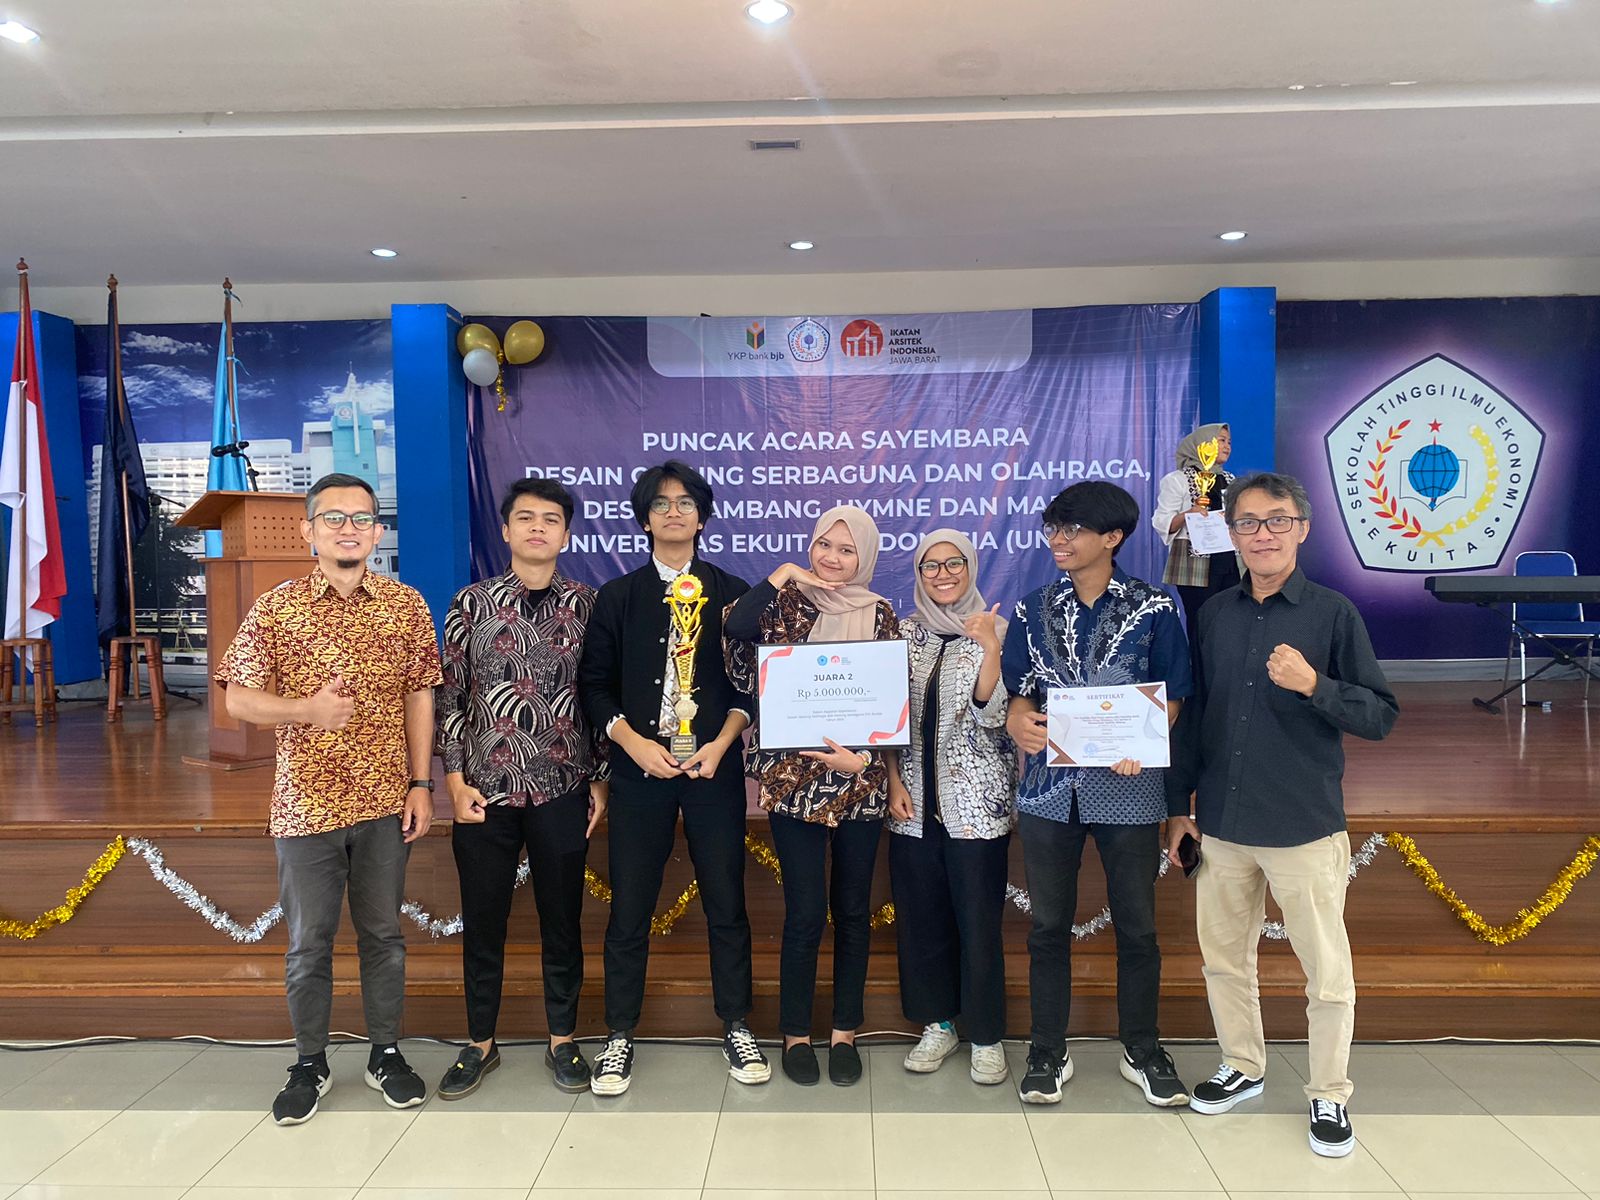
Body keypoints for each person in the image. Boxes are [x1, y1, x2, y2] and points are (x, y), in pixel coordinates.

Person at [1165, 471, 1397, 1159]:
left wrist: (1315, 684)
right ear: (1230, 534)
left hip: (1302, 823)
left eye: (1276, 521)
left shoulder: (1333, 614)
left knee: (1326, 970)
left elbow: (1380, 714)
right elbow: (1194, 718)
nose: (1262, 534)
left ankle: (1329, 1091)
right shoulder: (1214, 614)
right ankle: (1242, 1064)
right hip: (1223, 823)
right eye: (1247, 523)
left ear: (1302, 528)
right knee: (1223, 960)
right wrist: (1178, 809)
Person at [216, 472, 441, 1126]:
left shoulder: (405, 605)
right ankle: (309, 1062)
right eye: (334, 518)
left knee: (383, 935)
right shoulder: (278, 608)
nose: (349, 529)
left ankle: (385, 1054)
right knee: (309, 942)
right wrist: (304, 710)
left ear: (377, 532)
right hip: (305, 808)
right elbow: (237, 699)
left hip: (385, 804)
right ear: (308, 531)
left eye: (362, 519)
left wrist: (421, 783)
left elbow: (419, 694)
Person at [1000, 481, 1193, 1108]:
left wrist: (1143, 736)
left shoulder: (1153, 607)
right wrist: (1018, 721)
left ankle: (1142, 1048)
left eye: (1073, 529)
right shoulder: (1031, 610)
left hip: (1129, 789)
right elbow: (1019, 693)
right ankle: (1047, 1050)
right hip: (1047, 789)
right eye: (1053, 529)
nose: (1059, 540)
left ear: (1112, 537)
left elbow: (1174, 696)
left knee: (1137, 926)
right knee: (1047, 927)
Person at [577, 461, 767, 1095]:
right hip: (639, 772)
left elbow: (750, 687)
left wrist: (720, 744)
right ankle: (618, 1034)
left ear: (703, 517)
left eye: (686, 503)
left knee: (726, 901)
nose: (674, 512)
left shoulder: (733, 593)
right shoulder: (618, 596)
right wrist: (632, 744)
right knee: (630, 905)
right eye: (661, 504)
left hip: (713, 768)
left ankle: (736, 1023)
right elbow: (594, 687)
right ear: (645, 520)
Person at [433, 477, 609, 1099]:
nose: (538, 527)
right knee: (484, 922)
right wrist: (454, 780)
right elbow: (451, 695)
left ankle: (564, 1039)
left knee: (563, 921)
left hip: (564, 786)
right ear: (505, 530)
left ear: (567, 534)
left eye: (551, 519)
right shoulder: (471, 603)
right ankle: (480, 1043)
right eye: (526, 518)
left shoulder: (590, 605)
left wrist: (601, 781)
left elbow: (599, 696)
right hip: (486, 790)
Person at [723, 505, 899, 1087]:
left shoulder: (880, 612)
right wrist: (781, 574)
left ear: (865, 558)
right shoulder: (783, 601)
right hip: (793, 784)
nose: (833, 558)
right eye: (825, 545)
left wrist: (866, 763)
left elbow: (891, 703)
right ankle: (795, 1033)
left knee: (851, 911)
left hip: (860, 783)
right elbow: (736, 628)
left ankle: (845, 1031)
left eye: (847, 550)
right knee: (803, 913)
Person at [887, 529, 1016, 1086]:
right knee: (922, 920)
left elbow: (995, 716)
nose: (942, 574)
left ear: (971, 567)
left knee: (978, 924)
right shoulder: (902, 634)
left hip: (977, 806)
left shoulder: (999, 630)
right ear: (918, 573)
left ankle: (986, 1035)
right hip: (911, 806)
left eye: (953, 563)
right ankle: (938, 1024)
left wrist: (989, 648)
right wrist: (892, 780)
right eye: (930, 565)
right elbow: (884, 719)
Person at [1152, 423, 1240, 633]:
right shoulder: (1178, 480)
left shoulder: (1231, 480)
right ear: (1203, 444)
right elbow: (1162, 522)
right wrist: (1188, 514)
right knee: (1202, 623)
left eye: (1229, 442)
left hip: (1231, 560)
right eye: (1221, 441)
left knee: (1232, 622)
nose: (1227, 447)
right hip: (1194, 563)